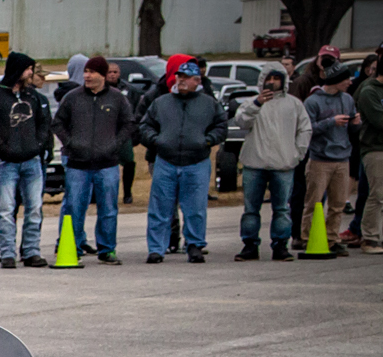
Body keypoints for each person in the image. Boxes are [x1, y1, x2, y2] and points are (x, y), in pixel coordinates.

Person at [136, 59, 226, 262]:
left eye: (186, 77)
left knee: (195, 208)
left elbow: (221, 126)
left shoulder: (209, 104)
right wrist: (157, 141)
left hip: (196, 162)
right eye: (179, 76)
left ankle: (195, 245)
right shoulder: (161, 102)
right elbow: (145, 125)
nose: (182, 80)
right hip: (166, 161)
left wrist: (208, 140)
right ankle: (156, 248)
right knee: (160, 208)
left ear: (197, 80)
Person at [54, 57, 134, 265]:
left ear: (103, 75)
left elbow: (128, 124)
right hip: (77, 164)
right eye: (86, 71)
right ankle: (72, 246)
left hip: (107, 163)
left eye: (92, 72)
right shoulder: (73, 97)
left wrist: (114, 144)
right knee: (74, 207)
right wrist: (71, 143)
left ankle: (107, 249)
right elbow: (58, 123)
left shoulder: (117, 98)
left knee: (108, 208)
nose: (87, 76)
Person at [0, 53, 54, 268]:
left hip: (31, 160)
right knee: (6, 208)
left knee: (34, 207)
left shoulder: (34, 97)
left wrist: (38, 146)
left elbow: (44, 124)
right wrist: (2, 147)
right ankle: (7, 252)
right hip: (4, 162)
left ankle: (31, 251)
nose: (31, 73)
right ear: (17, 70)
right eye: (28, 69)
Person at [233, 67, 308, 261]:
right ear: (262, 80)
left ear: (284, 81)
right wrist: (257, 103)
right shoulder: (251, 102)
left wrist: (296, 155)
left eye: (277, 78)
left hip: (283, 165)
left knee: (282, 209)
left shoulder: (294, 104)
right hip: (254, 163)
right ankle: (249, 245)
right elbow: (241, 121)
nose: (273, 82)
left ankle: (280, 245)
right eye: (269, 78)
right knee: (251, 209)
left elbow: (305, 130)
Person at [303, 64, 361, 250]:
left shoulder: (348, 99)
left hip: (342, 158)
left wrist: (355, 124)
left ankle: (332, 239)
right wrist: (330, 122)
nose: (349, 82)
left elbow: (352, 130)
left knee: (337, 205)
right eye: (346, 79)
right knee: (313, 202)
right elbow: (307, 129)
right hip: (320, 159)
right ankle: (307, 237)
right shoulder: (313, 102)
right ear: (336, 81)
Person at [356, 50, 383, 251]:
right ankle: (370, 237)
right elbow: (379, 120)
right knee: (378, 194)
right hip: (375, 149)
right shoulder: (369, 91)